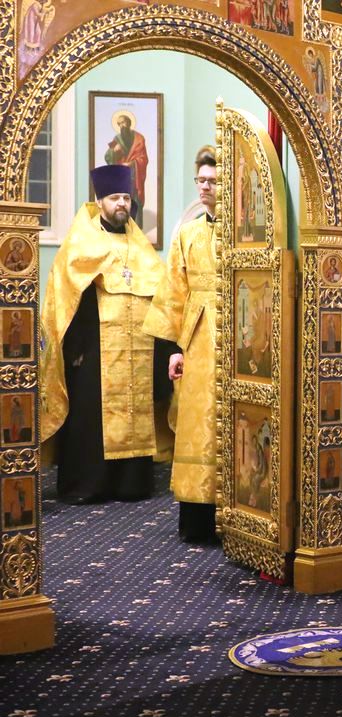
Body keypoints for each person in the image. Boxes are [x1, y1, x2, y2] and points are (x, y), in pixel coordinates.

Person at [41, 164, 174, 504]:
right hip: (94, 350)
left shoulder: (139, 245)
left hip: (137, 349)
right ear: (99, 201)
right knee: (92, 419)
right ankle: (90, 485)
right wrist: (76, 348)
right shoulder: (81, 242)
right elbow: (68, 297)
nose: (122, 204)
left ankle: (131, 484)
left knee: (134, 413)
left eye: (126, 198)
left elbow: (160, 296)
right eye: (115, 198)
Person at [143, 146, 221, 543]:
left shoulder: (248, 234)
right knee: (196, 423)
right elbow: (174, 291)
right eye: (200, 181)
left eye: (213, 181)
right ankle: (197, 518)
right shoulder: (187, 234)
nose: (205, 188)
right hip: (196, 339)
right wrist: (174, 348)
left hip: (237, 334)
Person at [104, 114, 151, 229]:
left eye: (123, 122)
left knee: (136, 201)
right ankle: (123, 229)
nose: (122, 126)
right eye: (119, 124)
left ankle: (137, 229)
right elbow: (107, 157)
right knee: (122, 202)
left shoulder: (139, 139)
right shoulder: (117, 139)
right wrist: (114, 151)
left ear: (129, 123)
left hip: (135, 176)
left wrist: (132, 163)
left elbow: (144, 159)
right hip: (122, 176)